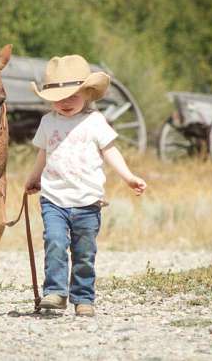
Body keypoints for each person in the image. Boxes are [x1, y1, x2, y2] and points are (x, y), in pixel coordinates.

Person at [25, 54, 147, 317]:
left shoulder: (94, 122)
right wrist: (34, 178)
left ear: (88, 93)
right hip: (54, 198)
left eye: (73, 95)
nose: (65, 102)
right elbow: (43, 154)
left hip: (88, 201)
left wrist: (128, 177)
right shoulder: (48, 122)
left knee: (84, 253)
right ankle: (56, 292)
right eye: (58, 98)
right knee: (55, 242)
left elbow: (111, 151)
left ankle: (83, 298)